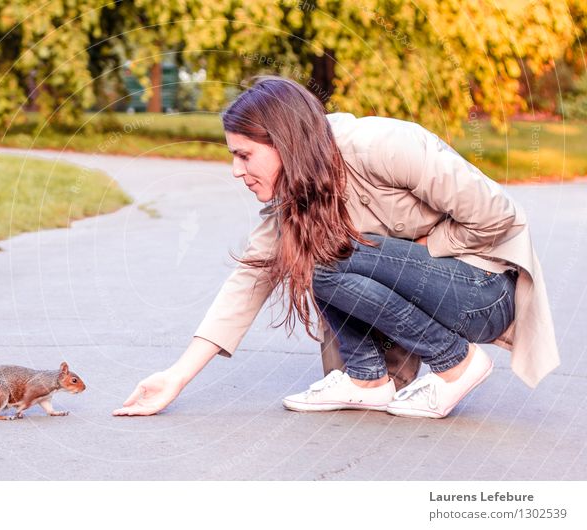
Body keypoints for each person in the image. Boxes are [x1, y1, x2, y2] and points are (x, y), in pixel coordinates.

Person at [112, 75, 559, 419]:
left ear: (284, 141)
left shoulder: (381, 144)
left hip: (482, 291)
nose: (235, 170)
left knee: (324, 255)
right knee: (308, 254)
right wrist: (176, 377)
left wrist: (428, 243)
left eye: (245, 155)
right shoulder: (294, 197)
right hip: (425, 297)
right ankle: (367, 382)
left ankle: (455, 364)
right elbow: (248, 279)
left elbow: (501, 215)